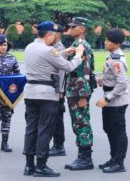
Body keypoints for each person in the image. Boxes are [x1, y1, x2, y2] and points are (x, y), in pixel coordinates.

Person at [23, 21, 85, 177]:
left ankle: (29, 165)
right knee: (45, 129)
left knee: (31, 129)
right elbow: (69, 67)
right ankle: (41, 166)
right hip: (46, 94)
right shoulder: (49, 50)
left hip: (30, 92)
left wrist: (65, 52)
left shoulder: (29, 47)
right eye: (54, 35)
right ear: (49, 34)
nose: (55, 38)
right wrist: (78, 55)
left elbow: (46, 57)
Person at [96, 28, 130, 173]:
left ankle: (119, 162)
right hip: (110, 98)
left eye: (108, 40)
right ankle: (113, 158)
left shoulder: (117, 61)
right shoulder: (111, 56)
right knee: (109, 129)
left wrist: (107, 98)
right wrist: (103, 79)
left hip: (116, 101)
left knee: (118, 131)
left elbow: (122, 83)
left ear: (116, 43)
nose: (105, 42)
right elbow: (112, 76)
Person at [64, 17, 96, 171]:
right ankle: (82, 156)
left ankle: (85, 159)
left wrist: (83, 95)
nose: (71, 29)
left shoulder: (81, 46)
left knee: (82, 123)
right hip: (74, 90)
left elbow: (85, 71)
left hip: (79, 92)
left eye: (74, 26)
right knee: (77, 123)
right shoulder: (75, 45)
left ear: (82, 29)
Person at [49, 24, 67, 157]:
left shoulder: (59, 49)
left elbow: (61, 71)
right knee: (52, 117)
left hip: (57, 89)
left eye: (52, 33)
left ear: (58, 34)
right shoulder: (50, 48)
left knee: (57, 118)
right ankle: (56, 144)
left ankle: (59, 145)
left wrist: (59, 90)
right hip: (51, 88)